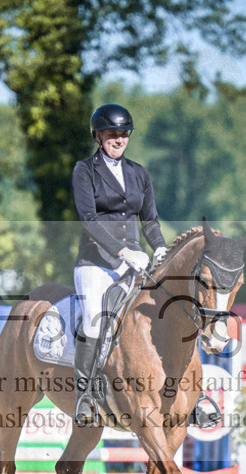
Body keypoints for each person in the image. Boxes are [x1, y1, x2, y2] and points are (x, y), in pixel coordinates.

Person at [70, 103, 168, 426]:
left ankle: (184, 391)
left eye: (124, 133)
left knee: (166, 309)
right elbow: (88, 219)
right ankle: (85, 396)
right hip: (96, 262)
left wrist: (160, 247)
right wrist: (123, 251)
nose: (119, 138)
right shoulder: (85, 170)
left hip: (135, 263)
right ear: (98, 136)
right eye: (112, 133)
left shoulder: (139, 173)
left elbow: (149, 221)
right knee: (94, 322)